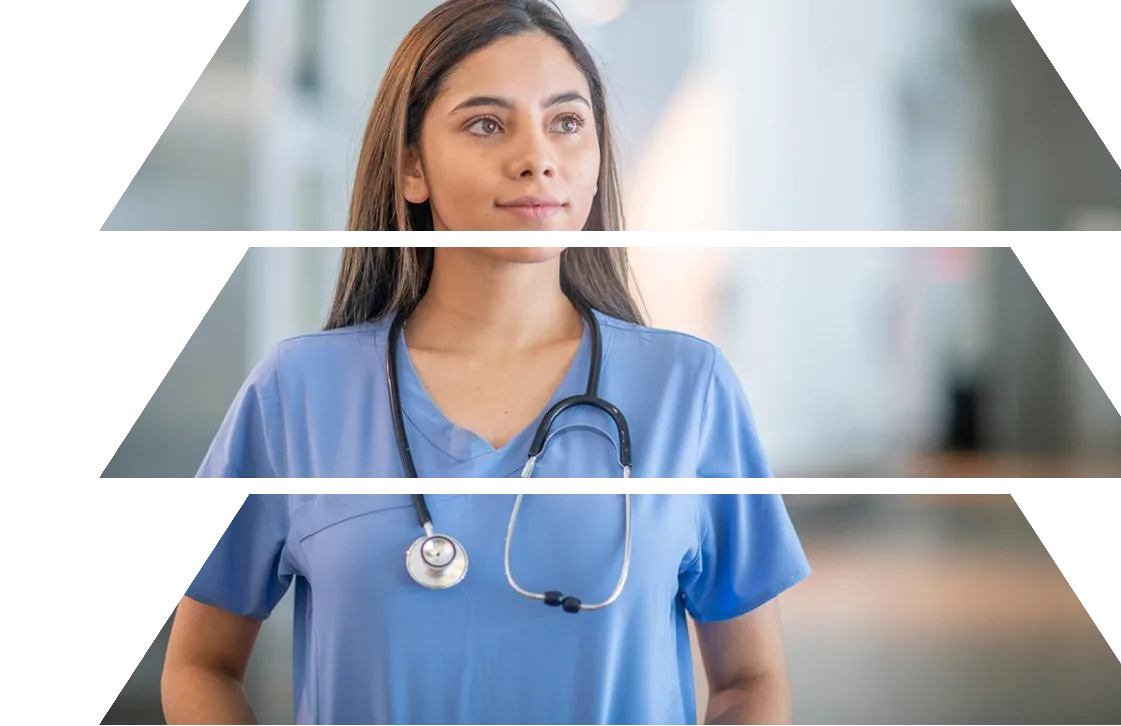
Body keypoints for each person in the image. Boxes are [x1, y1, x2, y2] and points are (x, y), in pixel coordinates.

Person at [163, 1, 810, 725]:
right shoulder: (299, 395)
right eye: (486, 124)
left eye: (566, 122)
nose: (537, 156)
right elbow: (201, 665)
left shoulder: (688, 393)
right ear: (412, 166)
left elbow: (750, 683)